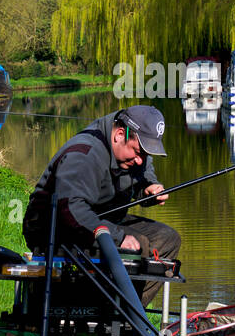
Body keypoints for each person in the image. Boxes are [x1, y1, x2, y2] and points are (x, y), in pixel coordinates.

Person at [22, 106, 178, 300]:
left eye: (146, 154)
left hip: (97, 216)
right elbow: (70, 210)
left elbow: (142, 170)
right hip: (55, 226)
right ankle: (119, 315)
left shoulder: (129, 149)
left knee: (167, 238)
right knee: (139, 245)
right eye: (138, 152)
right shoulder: (84, 154)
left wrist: (148, 187)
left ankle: (126, 312)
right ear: (120, 134)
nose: (140, 160)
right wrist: (117, 237)